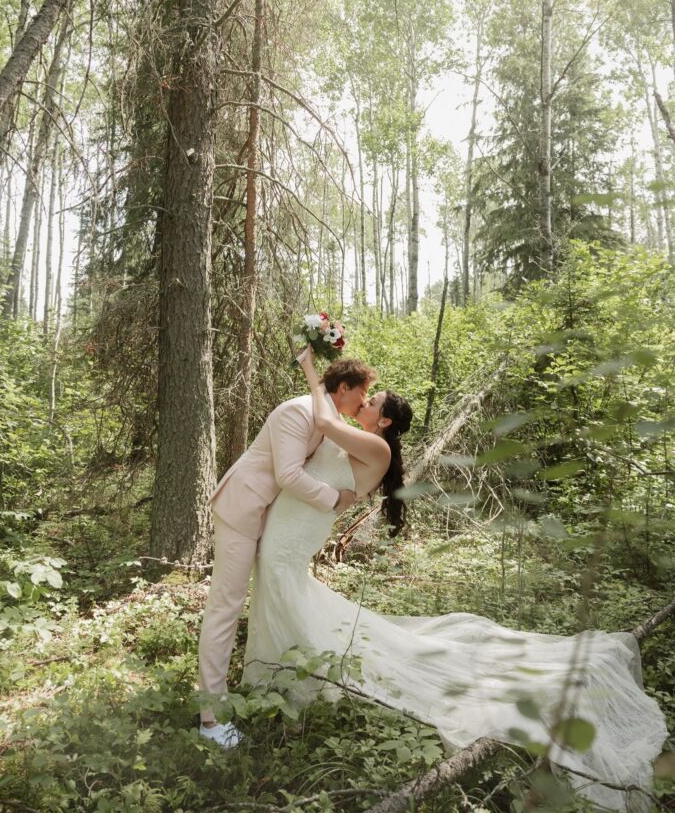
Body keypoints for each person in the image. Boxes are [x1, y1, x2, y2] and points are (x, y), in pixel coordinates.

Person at [243, 348, 667, 812]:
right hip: (299, 528)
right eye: (364, 398)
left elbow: (325, 425)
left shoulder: (377, 447)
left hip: (299, 532)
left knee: (297, 597)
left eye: (371, 402)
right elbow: (326, 441)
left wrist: (311, 368)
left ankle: (285, 681)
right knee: (296, 596)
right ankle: (281, 673)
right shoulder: (364, 439)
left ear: (384, 421)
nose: (363, 403)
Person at [198, 355, 377, 746]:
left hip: (263, 518)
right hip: (241, 508)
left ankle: (246, 686)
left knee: (239, 607)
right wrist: (336, 500)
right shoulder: (298, 412)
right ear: (343, 388)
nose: (364, 402)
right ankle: (210, 720)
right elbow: (289, 475)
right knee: (225, 608)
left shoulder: (329, 417)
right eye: (362, 394)